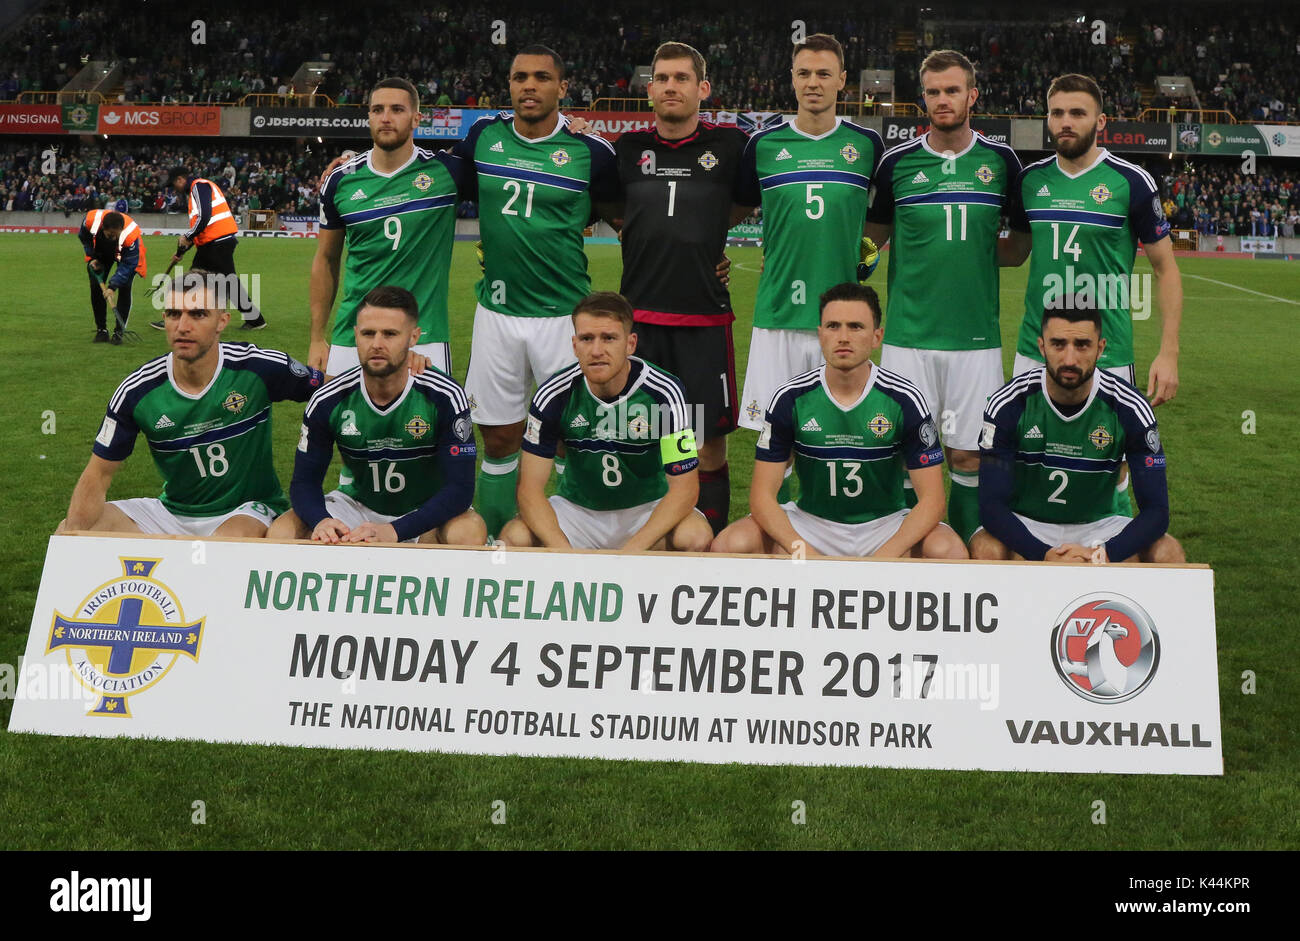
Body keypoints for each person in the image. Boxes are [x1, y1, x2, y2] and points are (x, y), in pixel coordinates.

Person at [449, 46, 620, 539]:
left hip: (564, 317)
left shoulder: (593, 151)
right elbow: (435, 175)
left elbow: (632, 216)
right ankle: (499, 545)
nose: (529, 85)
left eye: (542, 77)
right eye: (520, 76)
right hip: (497, 314)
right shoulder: (484, 136)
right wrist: (359, 158)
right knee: (499, 436)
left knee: (570, 437)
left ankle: (571, 541)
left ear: (562, 89)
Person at [863, 49, 1028, 545]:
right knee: (904, 449)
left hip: (974, 339)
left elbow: (1018, 249)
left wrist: (968, 257)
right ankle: (913, 551)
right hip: (907, 338)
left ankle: (961, 549)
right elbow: (870, 245)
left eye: (952, 90)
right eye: (933, 92)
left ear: (972, 95)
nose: (942, 99)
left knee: (968, 454)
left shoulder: (1001, 162)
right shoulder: (897, 164)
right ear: (923, 98)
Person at [1005, 73, 1183, 516]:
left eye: (1077, 113)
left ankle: (1112, 561)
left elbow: (1166, 269)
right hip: (1035, 347)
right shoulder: (1030, 182)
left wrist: (1169, 352)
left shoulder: (1131, 182)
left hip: (1108, 350)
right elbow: (1014, 252)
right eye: (1058, 113)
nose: (1066, 122)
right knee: (1028, 459)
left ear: (1100, 121)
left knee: (1113, 466)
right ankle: (1035, 562)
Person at [611, 41, 757, 535]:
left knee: (706, 438)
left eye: (680, 78)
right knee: (641, 431)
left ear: (703, 88)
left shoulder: (732, 147)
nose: (670, 86)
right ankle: (647, 529)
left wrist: (708, 239)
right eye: (661, 78)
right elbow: (612, 211)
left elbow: (743, 203)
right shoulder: (627, 150)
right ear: (649, 88)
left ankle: (708, 536)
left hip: (703, 318)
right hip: (641, 320)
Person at [711, 283, 967, 559]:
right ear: (820, 334)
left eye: (855, 326)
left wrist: (884, 556)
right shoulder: (790, 398)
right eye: (833, 326)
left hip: (884, 526)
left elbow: (932, 501)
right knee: (731, 544)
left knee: (947, 550)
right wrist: (803, 551)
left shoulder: (905, 399)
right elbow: (762, 498)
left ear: (876, 337)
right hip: (811, 525)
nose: (843, 337)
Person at [59, 271, 324, 537]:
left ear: (222, 321)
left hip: (246, 510)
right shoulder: (137, 391)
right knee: (72, 527)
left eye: (197, 315)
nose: (183, 326)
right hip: (172, 512)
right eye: (174, 314)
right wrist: (74, 537)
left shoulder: (257, 368)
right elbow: (98, 474)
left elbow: (334, 393)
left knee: (226, 543)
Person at [736, 34, 885, 485]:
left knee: (837, 442)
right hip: (777, 316)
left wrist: (866, 258)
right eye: (804, 73)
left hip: (840, 323)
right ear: (792, 79)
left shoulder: (867, 146)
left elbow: (884, 221)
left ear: (842, 81)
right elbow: (728, 210)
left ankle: (827, 542)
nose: (813, 83)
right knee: (773, 454)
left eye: (823, 74)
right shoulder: (762, 146)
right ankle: (775, 548)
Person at [271, 286, 486, 545]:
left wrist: (393, 531)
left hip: (424, 511)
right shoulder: (328, 399)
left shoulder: (444, 395)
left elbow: (460, 489)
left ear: (413, 337)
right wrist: (321, 520)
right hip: (356, 508)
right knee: (283, 531)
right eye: (368, 333)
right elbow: (304, 482)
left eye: (390, 334)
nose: (377, 344)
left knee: (468, 531)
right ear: (356, 336)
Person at [499, 292, 712, 552]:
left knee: (695, 536)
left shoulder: (668, 391)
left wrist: (631, 550)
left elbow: (686, 488)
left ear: (631, 344)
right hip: (578, 512)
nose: (597, 350)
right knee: (514, 538)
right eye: (587, 339)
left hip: (647, 509)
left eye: (609, 338)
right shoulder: (551, 393)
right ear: (574, 345)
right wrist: (563, 551)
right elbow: (529, 489)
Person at [971, 303, 1184, 563]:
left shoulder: (1129, 407)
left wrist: (1104, 553)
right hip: (1029, 524)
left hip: (1100, 527)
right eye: (1058, 344)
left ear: (1100, 348)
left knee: (1168, 552)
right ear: (1041, 347)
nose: (1070, 359)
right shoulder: (1009, 404)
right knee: (986, 548)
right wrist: (1044, 554)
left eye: (1082, 345)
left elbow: (1157, 512)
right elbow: (991, 507)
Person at [311, 77, 468, 379]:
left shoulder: (447, 172)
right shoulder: (340, 181)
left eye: (397, 109)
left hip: (425, 335)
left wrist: (573, 124)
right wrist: (317, 337)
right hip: (352, 333)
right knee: (341, 425)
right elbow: (325, 259)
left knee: (422, 426)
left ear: (416, 119)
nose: (385, 117)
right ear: (368, 116)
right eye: (377, 109)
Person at [150, 166, 266, 331]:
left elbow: (204, 217)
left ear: (180, 180)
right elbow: (200, 229)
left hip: (216, 243)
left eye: (174, 185)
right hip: (216, 242)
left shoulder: (198, 186)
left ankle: (176, 316)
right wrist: (180, 252)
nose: (174, 189)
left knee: (193, 281)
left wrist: (187, 237)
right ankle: (255, 319)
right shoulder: (198, 190)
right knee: (227, 282)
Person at [78, 208, 146, 344]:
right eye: (110, 235)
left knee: (125, 286)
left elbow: (127, 265)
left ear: (121, 229)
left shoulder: (130, 235)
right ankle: (101, 330)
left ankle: (118, 332)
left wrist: (112, 287)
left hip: (126, 255)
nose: (113, 237)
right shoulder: (91, 222)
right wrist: (92, 256)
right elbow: (84, 237)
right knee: (96, 286)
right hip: (103, 250)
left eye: (116, 235)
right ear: (103, 228)